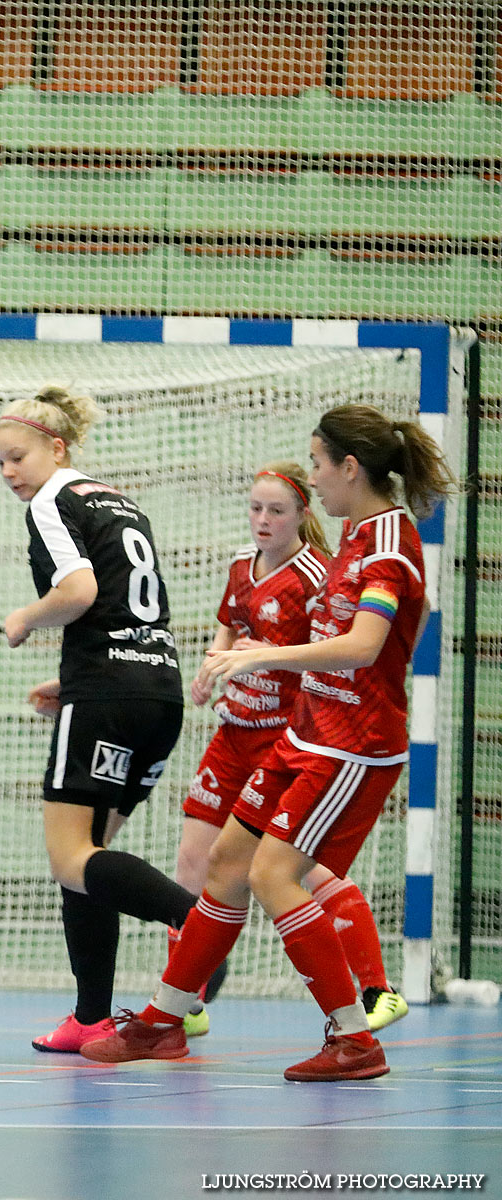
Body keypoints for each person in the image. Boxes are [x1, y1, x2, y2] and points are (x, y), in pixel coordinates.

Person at [82, 404, 456, 1082]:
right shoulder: (357, 531)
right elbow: (401, 621)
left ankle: (355, 1038)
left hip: (349, 745)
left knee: (273, 875)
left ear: (350, 468)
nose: (314, 476)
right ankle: (165, 1021)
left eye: (318, 463)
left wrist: (263, 658)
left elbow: (369, 645)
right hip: (307, 731)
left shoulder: (387, 546)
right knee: (225, 861)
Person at [0, 386, 198, 1054]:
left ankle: (197, 924)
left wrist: (25, 617)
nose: (9, 473)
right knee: (90, 854)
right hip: (155, 692)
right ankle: (90, 1016)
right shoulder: (118, 498)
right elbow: (126, 609)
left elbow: (78, 593)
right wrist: (72, 679)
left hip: (108, 695)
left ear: (58, 447)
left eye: (17, 456)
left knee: (68, 856)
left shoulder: (54, 500)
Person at [174, 463, 406, 1038]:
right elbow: (229, 626)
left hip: (287, 735)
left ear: (303, 514)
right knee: (193, 863)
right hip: (234, 732)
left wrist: (265, 656)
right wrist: (211, 668)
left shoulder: (317, 574)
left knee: (299, 869)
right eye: (255, 508)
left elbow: (336, 649)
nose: (262, 520)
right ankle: (186, 998)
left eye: (276, 510)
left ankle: (376, 988)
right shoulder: (239, 565)